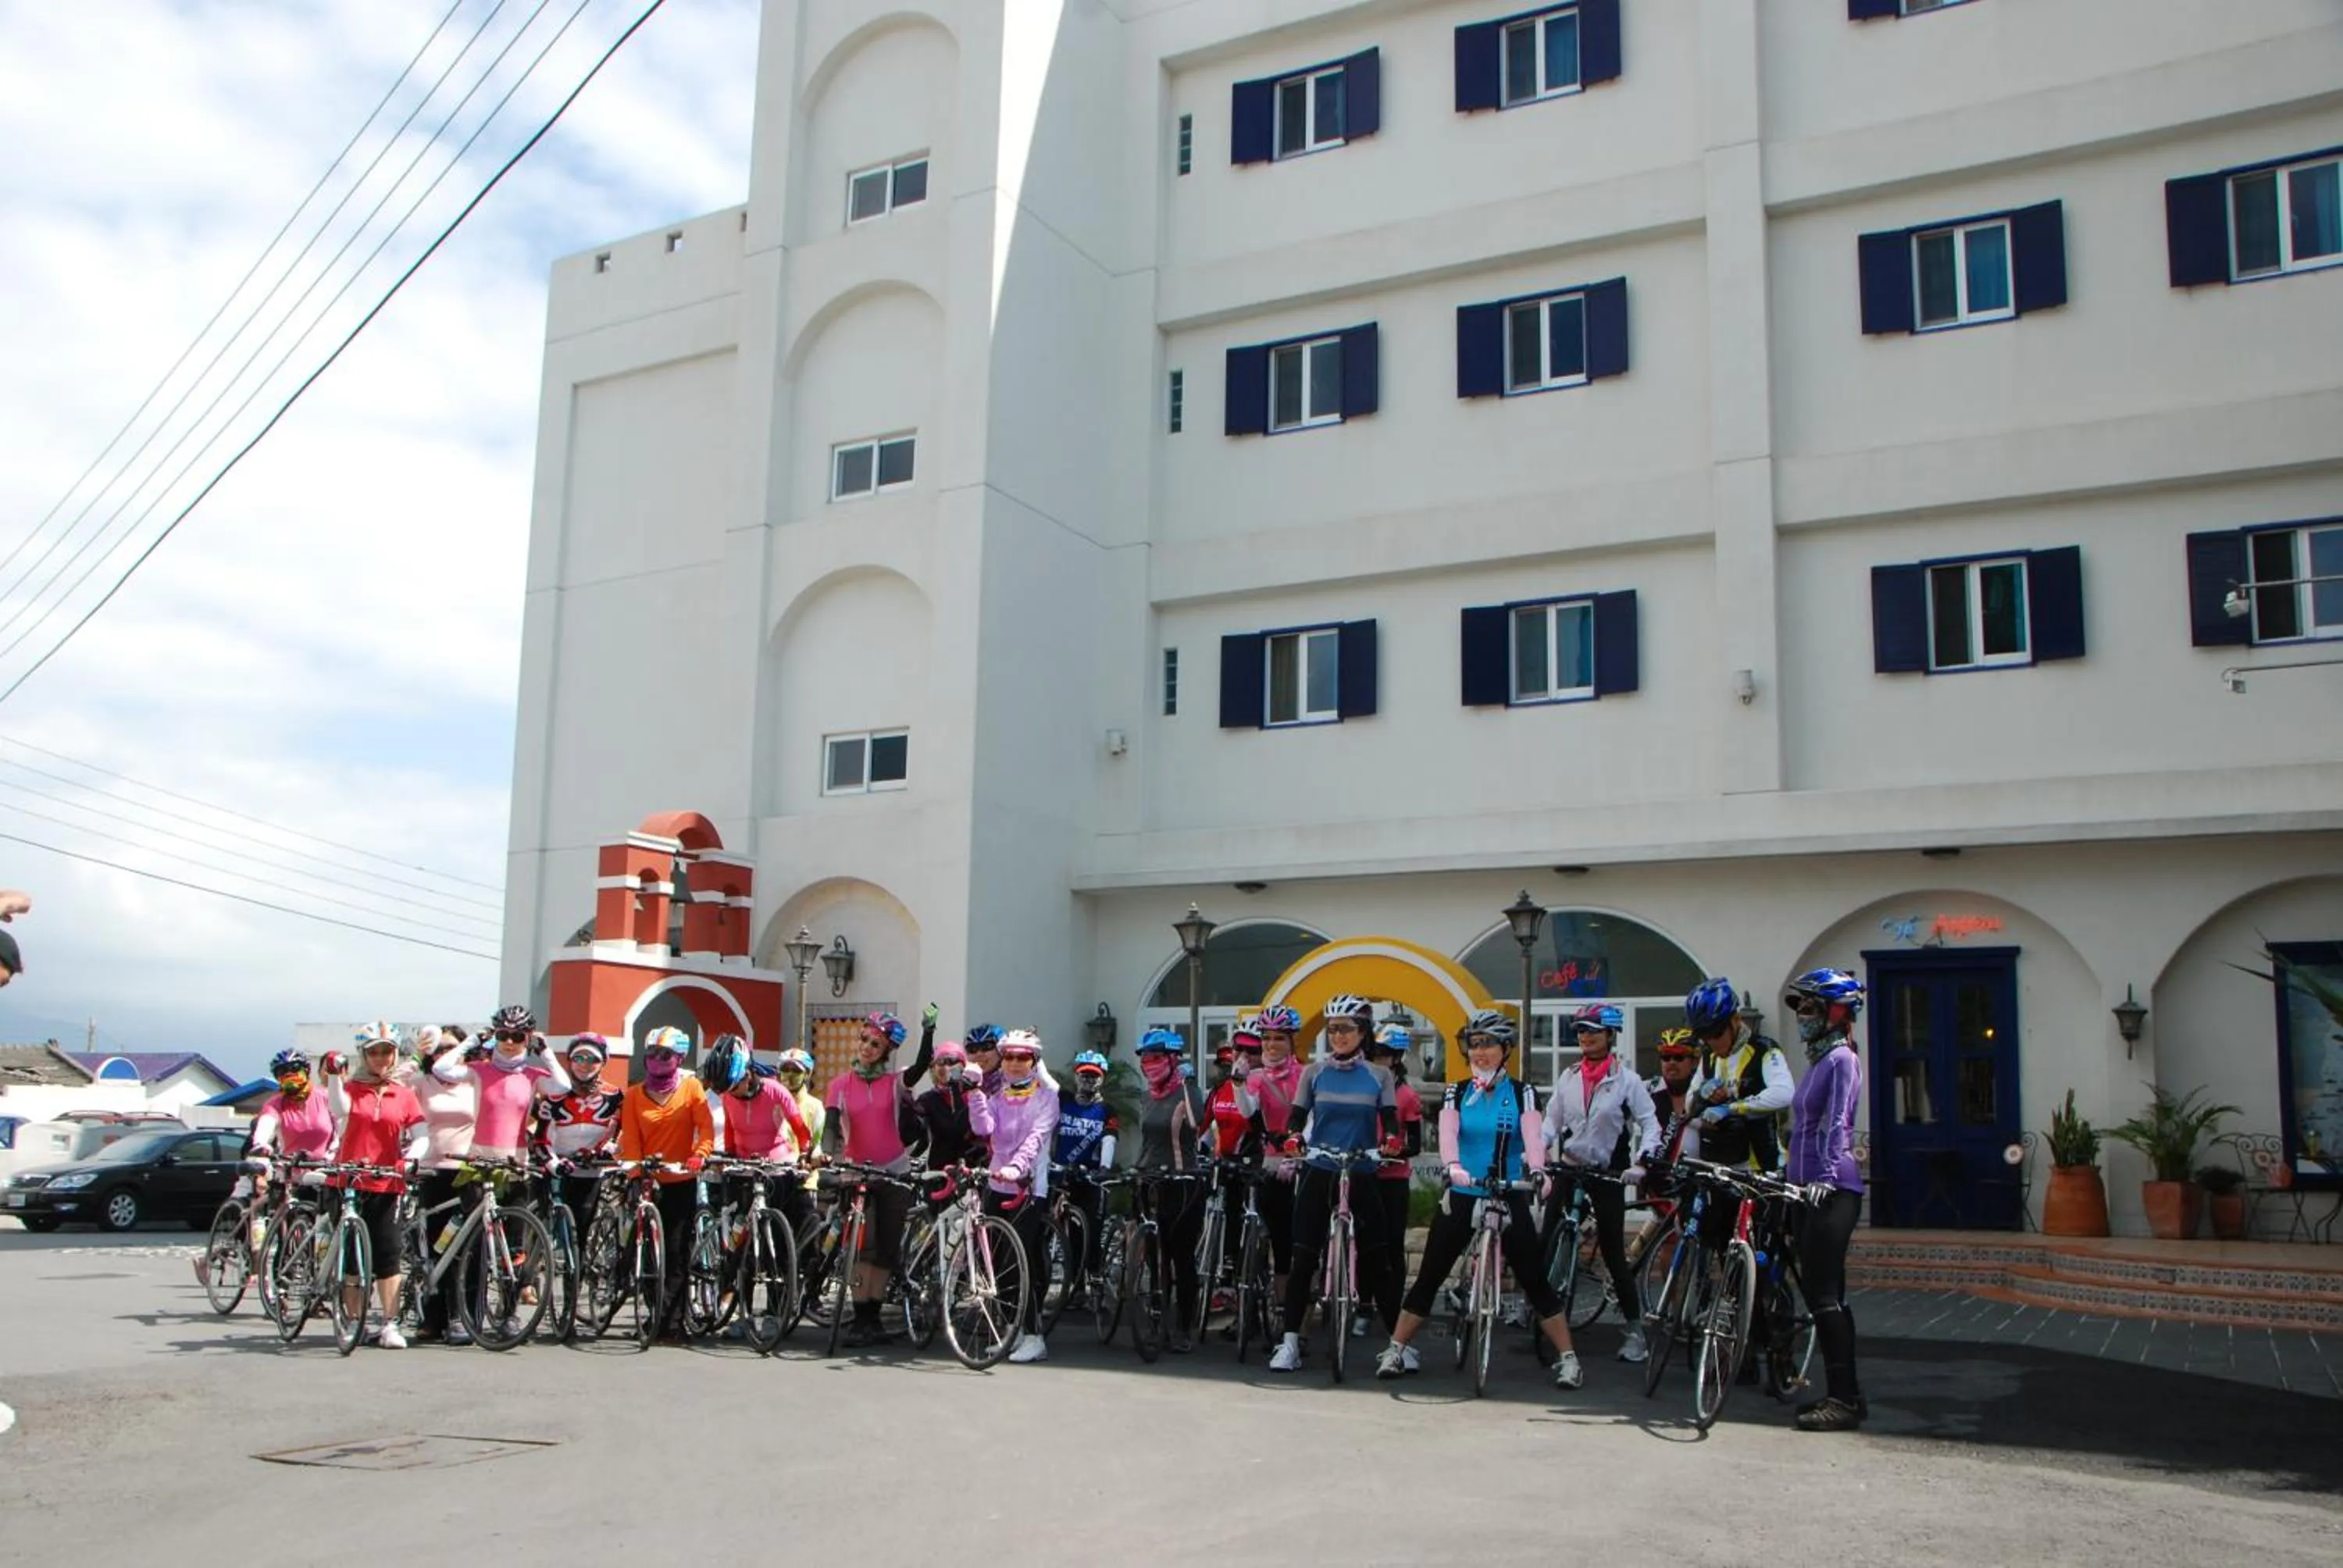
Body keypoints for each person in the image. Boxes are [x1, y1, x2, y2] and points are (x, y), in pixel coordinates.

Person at [1380, 1010, 1583, 1386]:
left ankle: (1569, 1359)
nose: (1480, 1053)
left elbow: (1534, 1138)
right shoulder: (1458, 1092)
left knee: (1534, 1279)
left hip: (1508, 1192)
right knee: (1430, 1275)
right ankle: (1396, 1348)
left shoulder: (1522, 1093)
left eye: (1488, 1044)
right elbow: (1447, 1134)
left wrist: (1538, 1171)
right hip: (1463, 1189)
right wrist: (1452, 1165)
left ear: (1505, 1050)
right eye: (1474, 1045)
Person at [1268, 996, 1403, 1374]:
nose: (1338, 1036)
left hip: (1361, 1170)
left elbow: (1390, 1121)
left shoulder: (1380, 1076)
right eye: (1333, 1029)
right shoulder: (1314, 1073)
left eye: (1346, 1028)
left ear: (1363, 1032)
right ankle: (1291, 1342)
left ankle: (1399, 1345)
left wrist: (1392, 1141)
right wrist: (1293, 1138)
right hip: (1319, 1167)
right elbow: (1297, 1117)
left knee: (1379, 1261)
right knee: (1303, 1259)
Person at [1541, 1002, 1661, 1366]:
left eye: (1594, 1030)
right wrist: (1538, 1149)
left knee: (1613, 1252)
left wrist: (1641, 1163)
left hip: (1609, 1172)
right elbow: (1551, 1120)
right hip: (1571, 1166)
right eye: (1580, 1031)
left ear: (1611, 1035)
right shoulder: (1569, 1076)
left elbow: (1650, 1124)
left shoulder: (1628, 1081)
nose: (1586, 1037)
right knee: (1545, 1240)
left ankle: (1634, 1329)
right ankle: (1536, 1306)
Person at [1784, 967, 1868, 1432]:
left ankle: (1843, 1401)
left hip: (1832, 1190)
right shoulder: (1819, 1061)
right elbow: (1801, 1130)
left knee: (1824, 1297)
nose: (1803, 1017)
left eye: (1812, 1008)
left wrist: (1828, 1176)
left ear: (1837, 1014)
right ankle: (1848, 1394)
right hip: (1804, 1187)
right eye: (1801, 1008)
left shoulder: (1841, 1061)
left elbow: (1838, 1124)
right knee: (1824, 1296)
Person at [819, 1011, 931, 1347]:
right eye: (864, 1040)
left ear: (886, 1051)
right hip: (857, 1171)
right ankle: (860, 1315)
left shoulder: (894, 1082)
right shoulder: (840, 1085)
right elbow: (830, 1128)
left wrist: (929, 1031)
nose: (867, 1047)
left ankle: (875, 1318)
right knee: (861, 1249)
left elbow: (922, 1065)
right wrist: (825, 1153)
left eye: (876, 1044)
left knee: (886, 1249)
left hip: (894, 1169)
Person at [326, 1024, 426, 1349]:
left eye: (386, 1051)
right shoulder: (351, 1087)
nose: (381, 1058)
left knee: (389, 1256)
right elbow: (338, 1110)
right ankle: (354, 1322)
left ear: (395, 1054)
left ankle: (390, 1324)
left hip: (388, 1181)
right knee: (353, 1260)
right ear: (363, 1055)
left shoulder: (404, 1093)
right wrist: (332, 1077)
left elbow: (422, 1135)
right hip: (348, 1180)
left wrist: (412, 1158)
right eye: (374, 1052)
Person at [615, 1025, 717, 1337]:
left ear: (679, 1058)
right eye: (652, 1054)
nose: (658, 1060)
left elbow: (706, 1129)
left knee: (676, 1251)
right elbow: (630, 1136)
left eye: (666, 1055)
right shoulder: (633, 1095)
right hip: (647, 1178)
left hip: (680, 1177)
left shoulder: (692, 1089)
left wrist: (700, 1154)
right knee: (644, 1250)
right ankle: (651, 1309)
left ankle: (672, 1320)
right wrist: (635, 1174)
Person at [986, 1029, 1061, 1363]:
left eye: (1023, 1058)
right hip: (995, 1186)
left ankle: (1034, 1335)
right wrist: (973, 1095)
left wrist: (1017, 1168)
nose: (1015, 1064)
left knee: (1023, 1262)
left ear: (1034, 1062)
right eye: (1010, 1057)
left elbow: (1036, 1138)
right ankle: (1012, 1331)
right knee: (997, 1265)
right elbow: (984, 1130)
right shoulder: (998, 1096)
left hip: (1029, 1189)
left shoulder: (1047, 1097)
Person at [1133, 1025, 1210, 1352]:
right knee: (1154, 1256)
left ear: (1173, 1059)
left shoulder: (1186, 1091)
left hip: (1183, 1181)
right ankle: (1155, 1320)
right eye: (1145, 1058)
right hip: (1149, 1178)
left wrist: (1188, 1082)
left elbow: (1197, 1122)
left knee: (1181, 1257)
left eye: (1156, 1057)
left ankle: (1184, 1327)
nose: (1149, 1063)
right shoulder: (1146, 1096)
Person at [406, 1025, 480, 1343]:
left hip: (467, 1170)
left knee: (468, 1248)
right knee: (435, 1247)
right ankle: (433, 1317)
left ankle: (464, 1317)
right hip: (431, 1170)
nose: (444, 1053)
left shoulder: (474, 1079)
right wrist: (416, 1053)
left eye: (451, 1046)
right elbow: (394, 1085)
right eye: (438, 1048)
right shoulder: (421, 1083)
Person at [1683, 977, 1793, 1175]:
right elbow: (1689, 1104)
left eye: (1716, 1033)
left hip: (1760, 1166)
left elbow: (1784, 1093)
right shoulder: (1708, 1056)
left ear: (1735, 1021)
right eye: (1703, 1036)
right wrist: (1702, 1094)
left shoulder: (1764, 1049)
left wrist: (1733, 1108)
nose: (1711, 1043)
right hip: (1719, 1165)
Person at [433, 1005, 569, 1164]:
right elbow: (440, 1069)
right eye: (503, 1035)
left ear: (527, 1039)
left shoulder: (533, 1076)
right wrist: (472, 1041)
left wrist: (546, 1052)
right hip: (479, 1157)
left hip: (516, 1160)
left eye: (517, 1037)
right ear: (495, 1036)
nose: (509, 1042)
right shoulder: (479, 1070)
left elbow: (563, 1087)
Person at [1237, 1003, 1306, 1308]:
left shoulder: (1306, 1075)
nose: (1271, 1045)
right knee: (1277, 1239)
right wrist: (1238, 1084)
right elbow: (1247, 1111)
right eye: (1266, 1039)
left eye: (1279, 1038)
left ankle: (1298, 1311)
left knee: (1299, 1243)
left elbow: (1314, 1118)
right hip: (1271, 1161)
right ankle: (1277, 1308)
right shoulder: (1255, 1077)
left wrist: (1297, 1153)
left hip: (1304, 1162)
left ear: (1292, 1042)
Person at [1361, 1019, 1423, 1341]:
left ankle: (1395, 1308)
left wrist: (1394, 1150)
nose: (1376, 1059)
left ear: (1396, 1058)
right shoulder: (1362, 1087)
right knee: (1363, 1242)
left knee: (1392, 1246)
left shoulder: (1408, 1096)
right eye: (1373, 1053)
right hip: (1363, 1173)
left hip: (1393, 1178)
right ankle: (1363, 1305)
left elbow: (1416, 1143)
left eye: (1383, 1054)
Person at [544, 1035, 624, 1228]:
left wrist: (609, 1149)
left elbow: (623, 1132)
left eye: (593, 1059)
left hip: (592, 1171)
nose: (584, 1064)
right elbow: (538, 1134)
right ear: (569, 1061)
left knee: (580, 1232)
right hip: (557, 1169)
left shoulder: (615, 1096)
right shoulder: (554, 1095)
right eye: (578, 1058)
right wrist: (553, 1163)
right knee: (550, 1226)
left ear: (603, 1063)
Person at [908, 1039, 993, 1171]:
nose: (947, 1068)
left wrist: (955, 1087)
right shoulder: (928, 1099)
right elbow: (919, 1135)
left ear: (964, 1065)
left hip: (975, 1170)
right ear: (934, 1068)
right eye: (940, 1063)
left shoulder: (976, 1096)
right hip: (941, 1171)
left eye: (952, 1062)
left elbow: (983, 1133)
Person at [776, 1048, 825, 1148]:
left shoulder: (816, 1107)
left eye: (796, 1071)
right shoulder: (770, 1102)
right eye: (785, 1070)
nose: (790, 1074)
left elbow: (817, 1145)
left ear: (807, 1074)